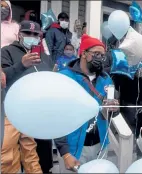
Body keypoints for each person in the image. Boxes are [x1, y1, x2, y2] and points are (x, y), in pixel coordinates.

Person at [54, 34, 119, 172]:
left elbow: (113, 111)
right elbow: (55, 117)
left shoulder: (106, 78)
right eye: (96, 54)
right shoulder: (65, 78)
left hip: (100, 145)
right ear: (84, 53)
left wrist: (115, 108)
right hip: (73, 149)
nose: (100, 58)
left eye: (102, 55)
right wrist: (65, 153)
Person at [1, 20, 54, 173]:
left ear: (40, 37)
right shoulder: (7, 51)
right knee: (15, 161)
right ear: (19, 35)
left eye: (35, 34)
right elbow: (3, 79)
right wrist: (21, 65)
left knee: (42, 161)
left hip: (40, 116)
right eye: (27, 33)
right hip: (14, 117)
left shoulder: (44, 57)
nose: (31, 36)